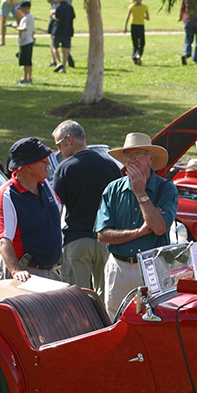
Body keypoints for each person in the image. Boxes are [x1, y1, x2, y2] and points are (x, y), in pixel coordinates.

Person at [96, 133, 179, 318]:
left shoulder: (166, 188)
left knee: (154, 319)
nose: (131, 161)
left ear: (150, 158)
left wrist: (140, 192)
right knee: (114, 320)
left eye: (138, 155)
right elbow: (102, 235)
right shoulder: (113, 189)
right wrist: (138, 232)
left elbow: (158, 228)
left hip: (152, 266)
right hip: (118, 266)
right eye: (127, 156)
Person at [51, 121, 123, 296]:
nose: (59, 151)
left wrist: (54, 245)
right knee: (107, 297)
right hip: (107, 240)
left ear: (69, 139)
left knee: (77, 299)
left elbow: (56, 209)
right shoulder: (111, 165)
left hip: (78, 241)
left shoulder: (64, 168)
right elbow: (120, 204)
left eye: (59, 144)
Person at [0, 138, 63, 282]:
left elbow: (58, 211)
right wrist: (16, 271)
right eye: (43, 161)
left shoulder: (45, 185)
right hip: (27, 273)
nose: (48, 163)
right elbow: (3, 240)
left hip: (50, 270)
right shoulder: (7, 194)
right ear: (28, 167)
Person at [46, 0, 75, 67]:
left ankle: (55, 60)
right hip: (67, 14)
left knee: (53, 37)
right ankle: (66, 56)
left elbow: (48, 0)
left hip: (56, 12)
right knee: (66, 40)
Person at [50, 0, 75, 73]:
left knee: (54, 46)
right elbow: (73, 17)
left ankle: (58, 62)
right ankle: (64, 68)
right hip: (68, 30)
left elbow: (57, 17)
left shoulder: (59, 7)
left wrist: (52, 14)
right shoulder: (70, 6)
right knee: (66, 49)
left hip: (58, 30)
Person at [11, 1, 35, 84]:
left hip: (26, 41)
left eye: (22, 9)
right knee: (26, 61)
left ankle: (27, 78)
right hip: (28, 40)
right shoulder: (30, 17)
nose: (21, 11)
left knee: (26, 61)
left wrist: (16, 27)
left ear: (26, 8)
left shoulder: (27, 18)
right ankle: (26, 77)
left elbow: (25, 28)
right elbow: (33, 30)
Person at [123, 0, 149, 65]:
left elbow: (127, 17)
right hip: (141, 26)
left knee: (135, 44)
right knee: (142, 43)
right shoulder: (145, 7)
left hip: (133, 26)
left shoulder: (131, 7)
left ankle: (135, 58)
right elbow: (148, 18)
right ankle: (138, 55)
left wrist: (125, 27)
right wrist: (142, 16)